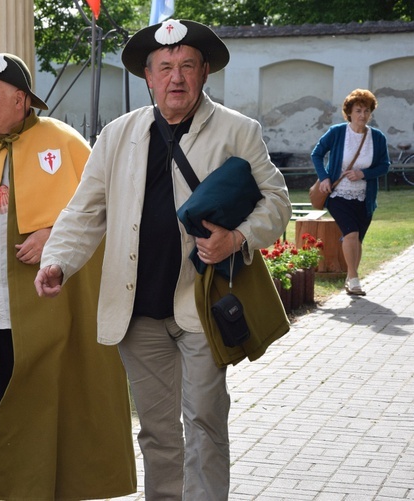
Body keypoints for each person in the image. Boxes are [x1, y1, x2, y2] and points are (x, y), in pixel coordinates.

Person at [35, 20, 291, 500]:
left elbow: (277, 202)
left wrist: (237, 237)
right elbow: (85, 209)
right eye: (165, 68)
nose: (177, 78)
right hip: (136, 309)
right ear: (148, 78)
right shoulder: (117, 134)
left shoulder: (239, 130)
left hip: (200, 303)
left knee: (204, 419)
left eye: (187, 66)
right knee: (156, 431)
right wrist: (58, 262)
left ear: (205, 72)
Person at [0, 52, 135, 500]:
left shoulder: (62, 140)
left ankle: (47, 487)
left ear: (21, 99)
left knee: (46, 395)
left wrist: (54, 233)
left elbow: (101, 211)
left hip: (48, 305)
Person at [311, 88, 390, 296]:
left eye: (366, 110)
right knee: (351, 233)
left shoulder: (378, 138)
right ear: (349, 113)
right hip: (338, 194)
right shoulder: (337, 132)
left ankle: (350, 278)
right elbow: (317, 154)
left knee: (357, 239)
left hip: (365, 197)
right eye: (358, 110)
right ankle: (354, 280)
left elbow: (384, 165)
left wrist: (363, 174)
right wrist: (325, 177)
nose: (362, 115)